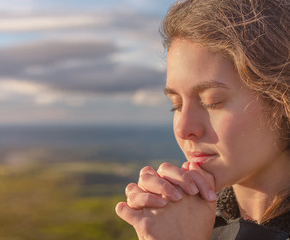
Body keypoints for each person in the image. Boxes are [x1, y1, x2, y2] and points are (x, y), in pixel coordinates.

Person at [115, 0, 290, 239]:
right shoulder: (189, 223)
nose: (183, 128)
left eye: (212, 102)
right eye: (175, 105)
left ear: (281, 99)